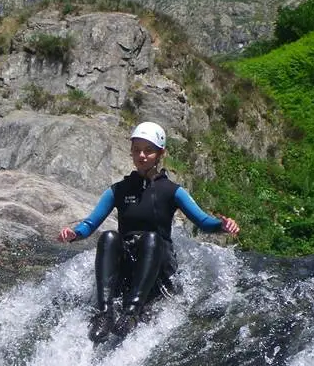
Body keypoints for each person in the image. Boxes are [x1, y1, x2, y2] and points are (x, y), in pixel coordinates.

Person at [58, 121, 240, 342]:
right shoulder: (118, 190)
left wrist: (222, 225)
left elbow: (203, 222)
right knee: (109, 237)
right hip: (130, 263)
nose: (141, 155)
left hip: (158, 267)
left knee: (151, 238)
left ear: (160, 153)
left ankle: (131, 313)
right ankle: (105, 313)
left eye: (148, 150)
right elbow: (91, 223)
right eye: (137, 150)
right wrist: (75, 234)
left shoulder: (173, 191)